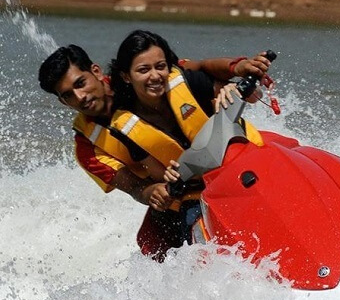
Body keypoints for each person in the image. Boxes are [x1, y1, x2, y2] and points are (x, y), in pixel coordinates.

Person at [38, 43, 271, 258]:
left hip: (233, 160)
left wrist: (237, 67)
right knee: (159, 246)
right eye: (67, 95)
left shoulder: (139, 76)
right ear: (62, 102)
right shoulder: (87, 149)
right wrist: (150, 192)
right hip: (182, 196)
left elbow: (197, 68)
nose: (80, 97)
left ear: (96, 72)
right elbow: (133, 188)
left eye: (80, 83)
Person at [107, 29, 272, 256]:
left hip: (242, 172)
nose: (155, 76)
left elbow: (251, 95)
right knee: (194, 225)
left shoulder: (187, 82)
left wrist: (230, 88)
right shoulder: (124, 126)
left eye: (160, 67)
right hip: (194, 196)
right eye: (143, 70)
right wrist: (168, 177)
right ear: (126, 76)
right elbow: (155, 174)